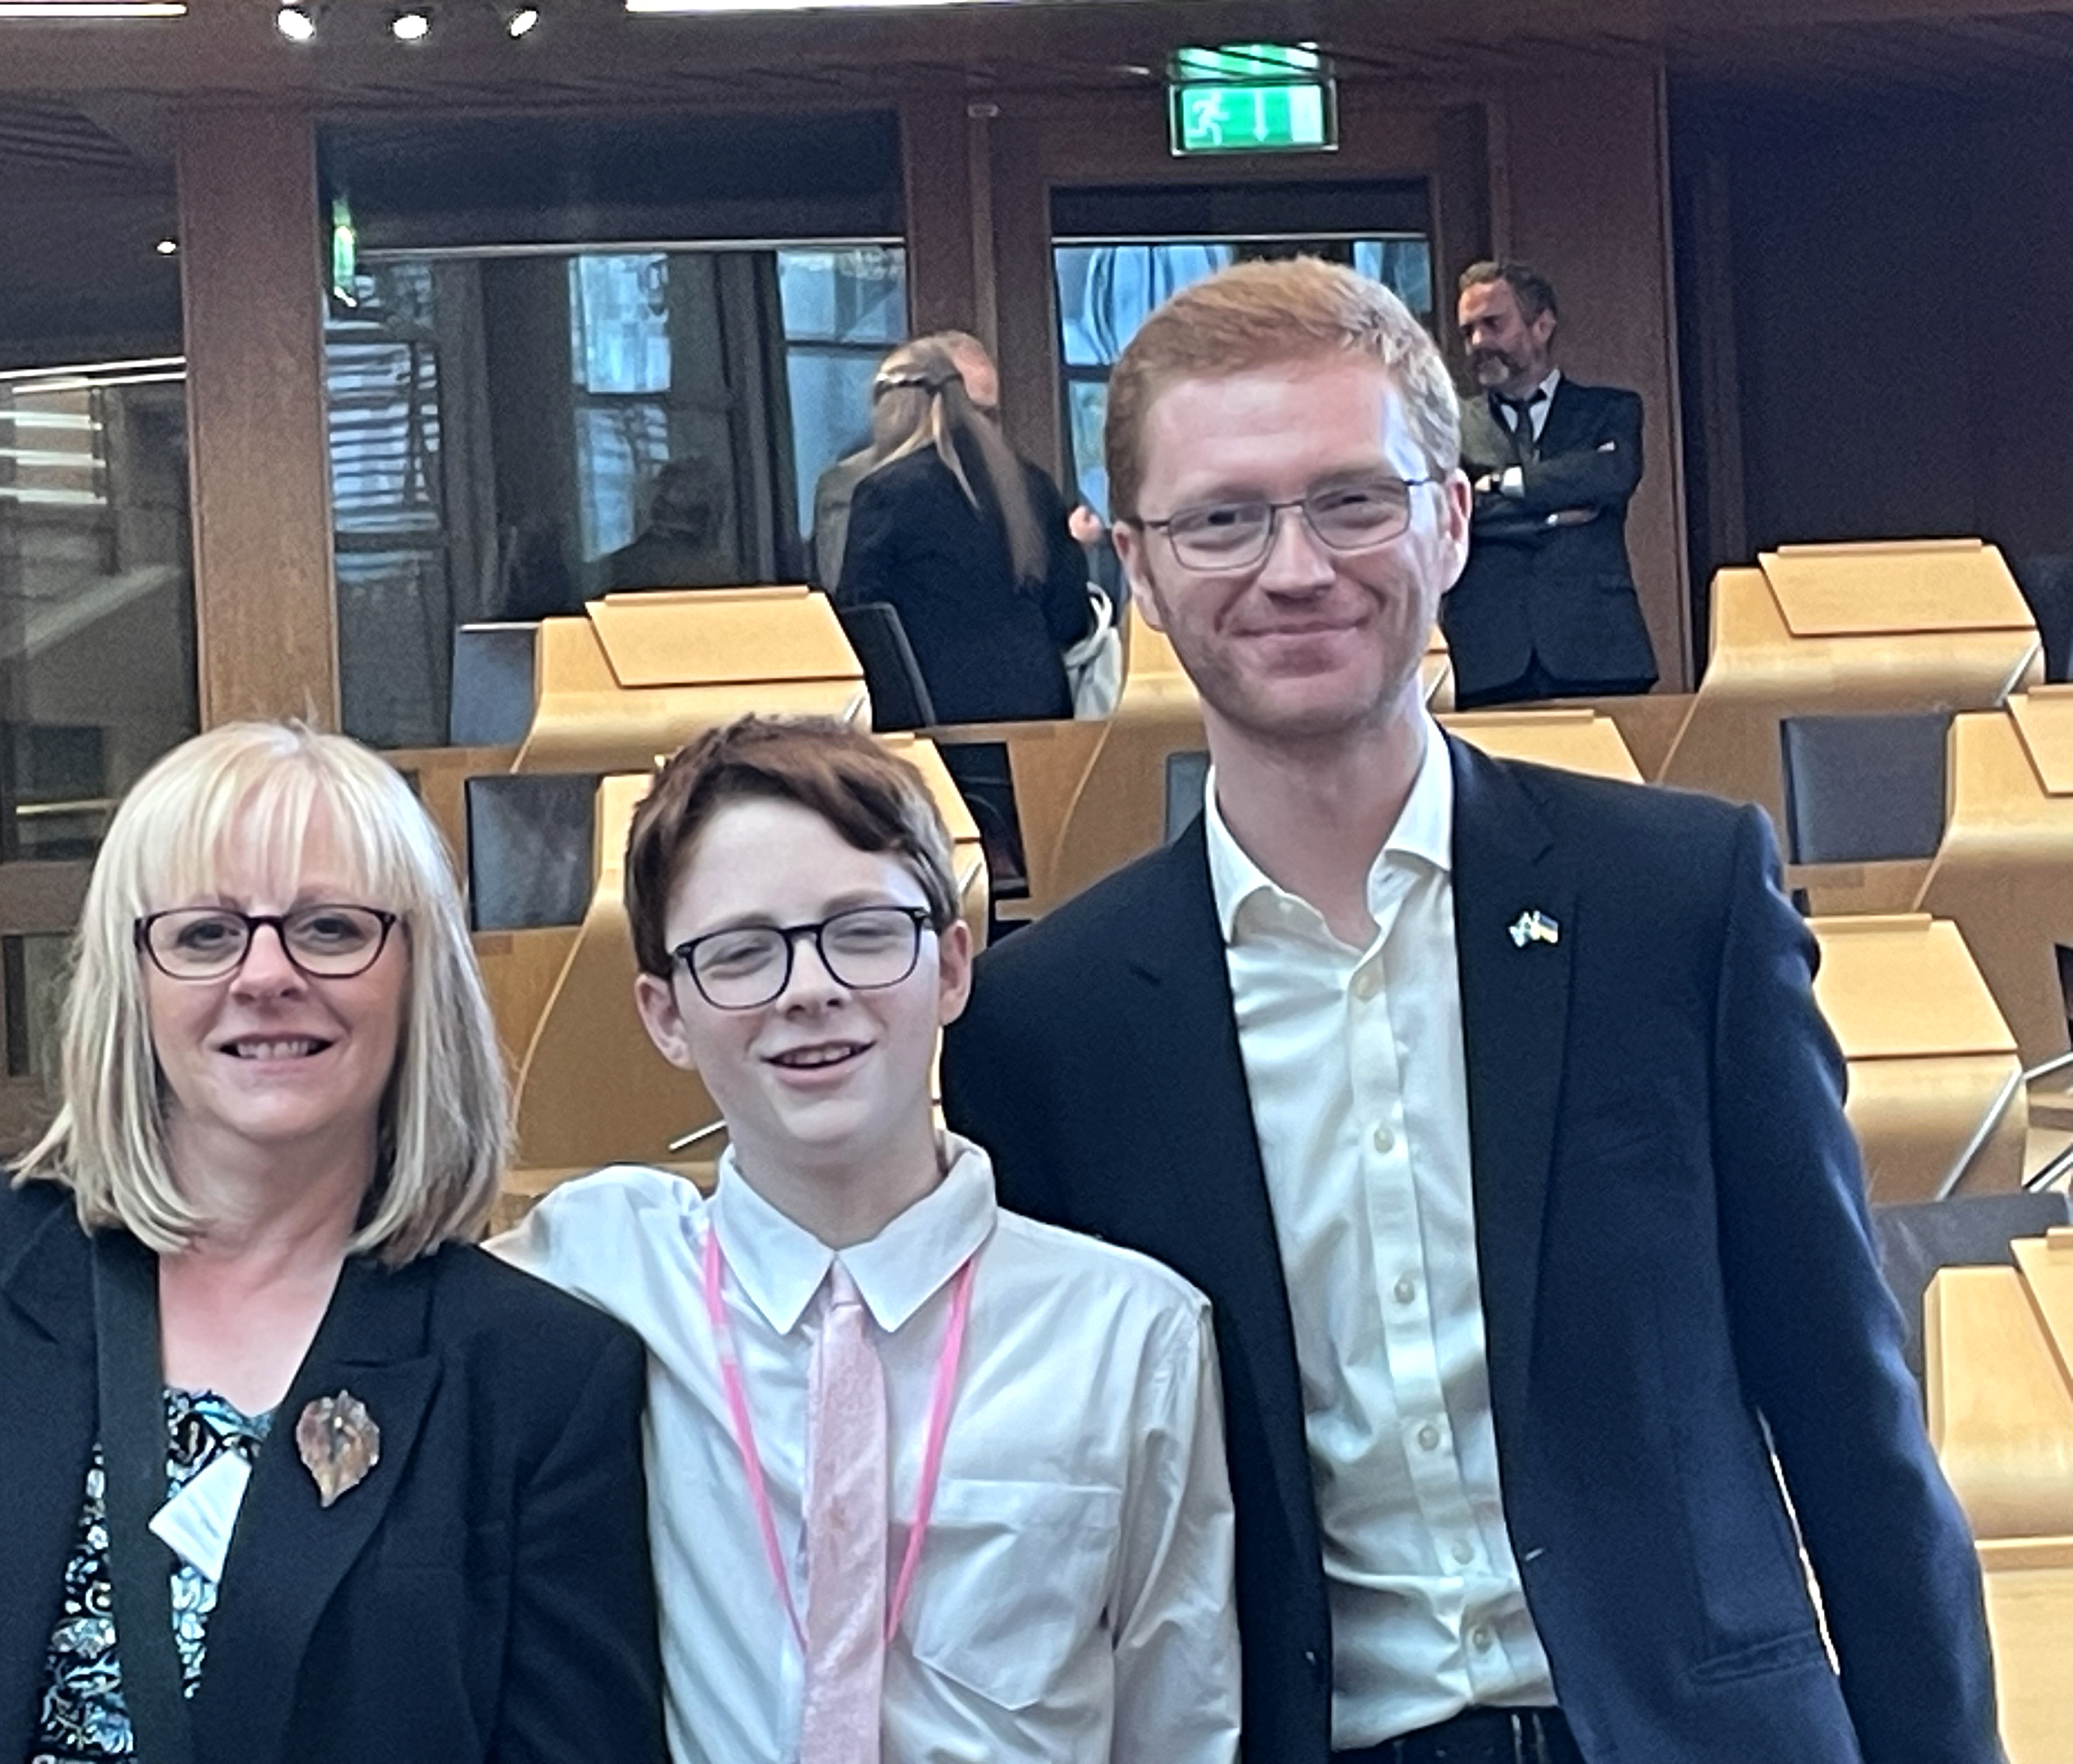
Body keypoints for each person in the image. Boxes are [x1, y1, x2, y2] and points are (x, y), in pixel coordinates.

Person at [941, 257, 2001, 1764]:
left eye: (1352, 500)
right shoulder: (1046, 1027)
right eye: (1223, 519)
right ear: (1139, 569)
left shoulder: (1678, 902)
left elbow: (1852, 1423)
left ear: (1449, 518)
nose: (1294, 566)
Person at [0, 716, 1242, 1764]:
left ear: (950, 957)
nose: (809, 993)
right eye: (203, 931)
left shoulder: (541, 1341)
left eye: (333, 927)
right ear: (662, 1008)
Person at [0, 722, 665, 1764]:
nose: (266, 973)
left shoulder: (541, 1376)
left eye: (332, 927)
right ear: (133, 977)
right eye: (207, 933)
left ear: (419, 975)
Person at [833, 337, 1096, 723]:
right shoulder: (1031, 484)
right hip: (1042, 714)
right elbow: (1070, 618)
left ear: (892, 409)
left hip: (938, 719)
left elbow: (863, 623)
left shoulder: (886, 492)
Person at [1445, 260, 1658, 707]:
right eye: (1469, 331)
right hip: (1487, 656)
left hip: (1598, 648)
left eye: (1493, 325)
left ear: (1541, 326)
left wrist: (1504, 485)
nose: (1479, 342)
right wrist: (1557, 511)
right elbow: (1453, 515)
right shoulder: (1449, 426)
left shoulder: (1610, 411)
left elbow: (1613, 476)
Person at [600, 456, 739, 594]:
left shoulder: (624, 565)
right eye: (666, 488)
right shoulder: (724, 573)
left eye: (683, 491)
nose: (664, 496)